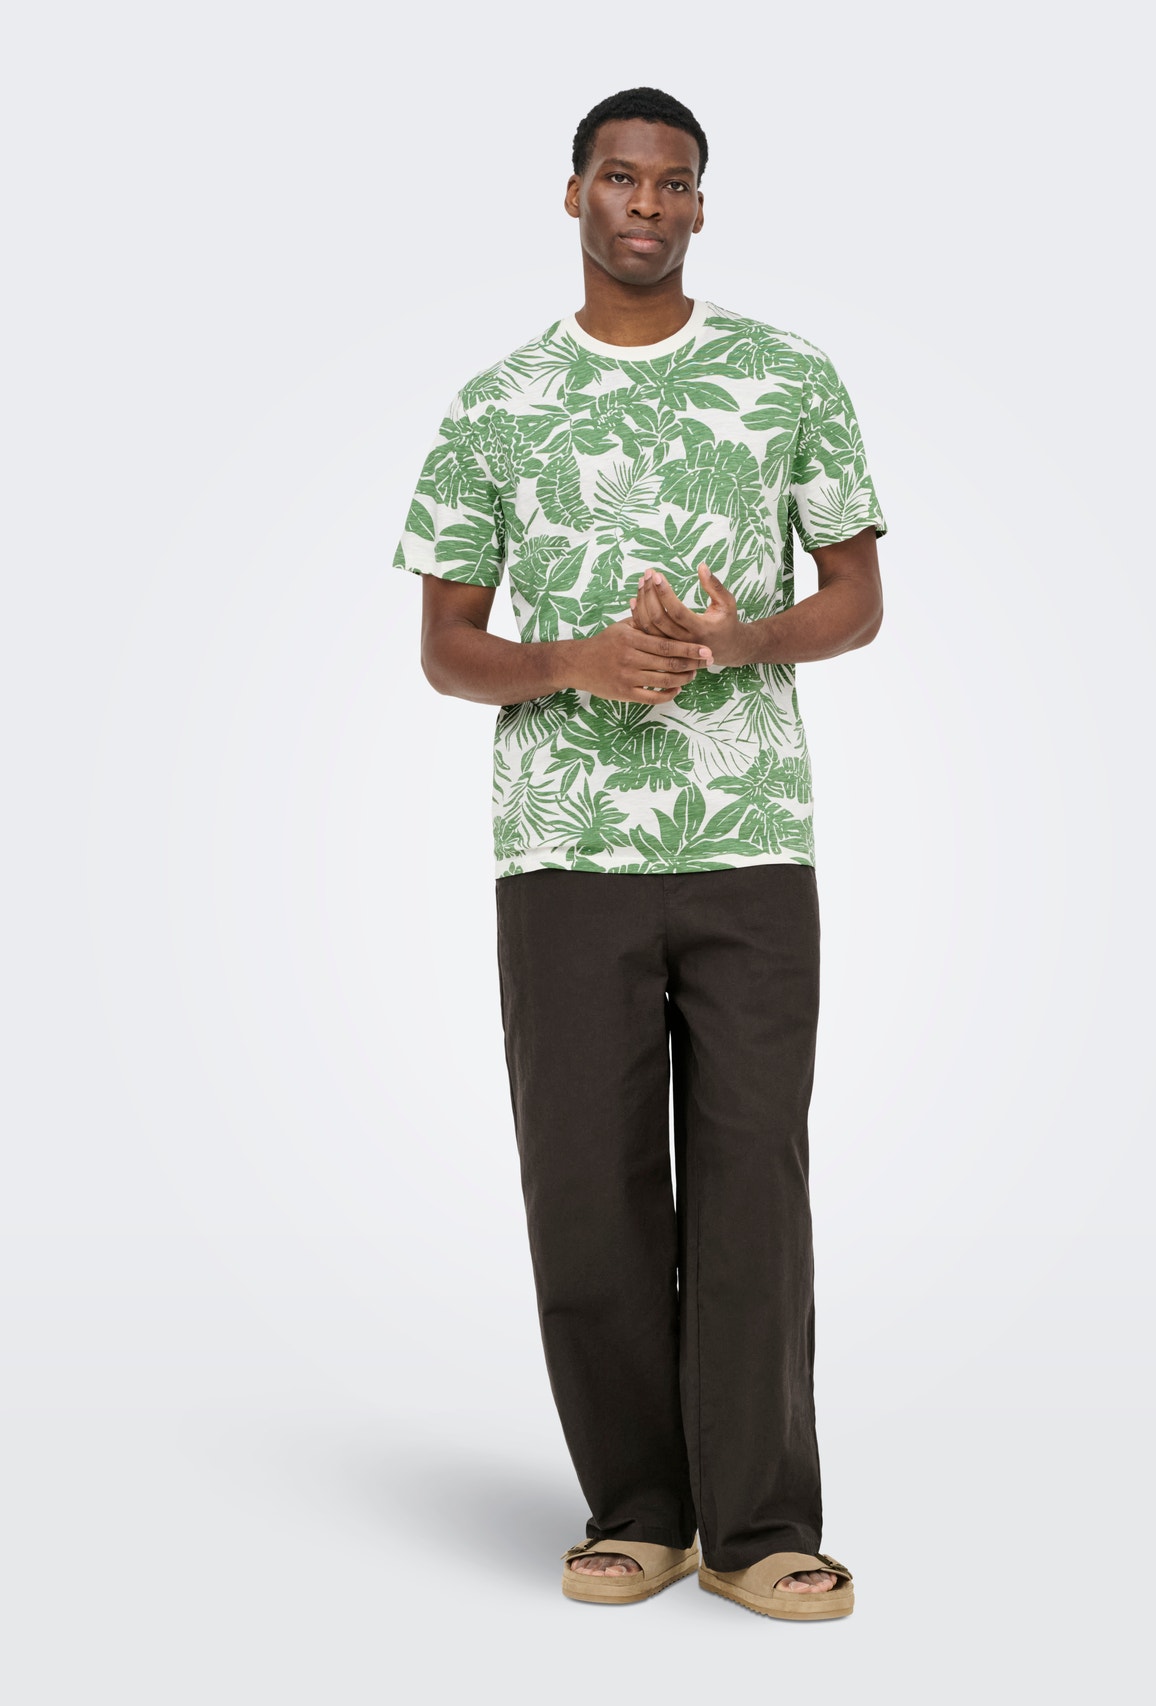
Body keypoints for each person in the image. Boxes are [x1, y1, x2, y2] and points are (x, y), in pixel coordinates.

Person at [392, 86, 887, 1621]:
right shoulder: (496, 402)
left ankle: (758, 1523)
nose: (648, 205)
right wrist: (576, 663)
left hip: (752, 837)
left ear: (700, 206)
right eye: (620, 177)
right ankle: (639, 1507)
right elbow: (447, 646)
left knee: (754, 1175)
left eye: (674, 184)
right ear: (574, 196)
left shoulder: (788, 376)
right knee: (587, 1181)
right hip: (562, 845)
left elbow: (857, 599)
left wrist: (738, 640)